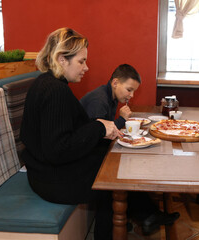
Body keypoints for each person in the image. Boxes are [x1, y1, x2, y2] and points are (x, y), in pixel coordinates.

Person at [20, 27, 122, 240]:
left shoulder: (45, 83)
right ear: (61, 59)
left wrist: (99, 125)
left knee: (108, 154)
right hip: (52, 181)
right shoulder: (56, 91)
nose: (86, 67)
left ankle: (119, 225)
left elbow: (65, 131)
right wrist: (99, 128)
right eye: (81, 61)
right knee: (112, 172)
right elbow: (58, 150)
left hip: (40, 173)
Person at [80, 64, 180, 235]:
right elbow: (97, 136)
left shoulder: (108, 96)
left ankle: (146, 215)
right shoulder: (99, 101)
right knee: (122, 174)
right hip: (86, 158)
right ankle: (123, 224)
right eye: (129, 89)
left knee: (132, 165)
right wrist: (122, 120)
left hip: (95, 149)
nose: (131, 95)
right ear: (115, 82)